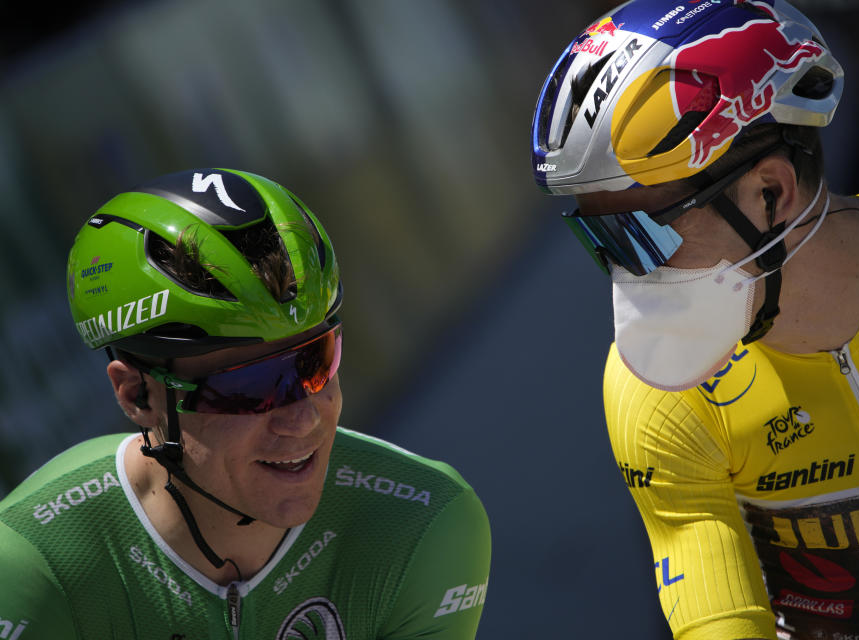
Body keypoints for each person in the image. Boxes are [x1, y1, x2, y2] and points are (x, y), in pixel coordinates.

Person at [531, 1, 859, 639]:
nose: (628, 276)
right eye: (601, 244)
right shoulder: (655, 393)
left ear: (772, 192)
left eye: (641, 236)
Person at [0, 168, 491, 638]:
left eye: (315, 362)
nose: (302, 416)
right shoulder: (33, 564)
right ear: (138, 395)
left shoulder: (423, 523)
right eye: (250, 386)